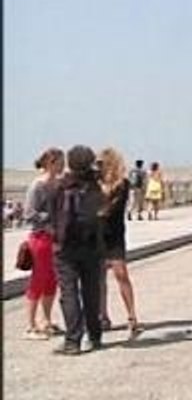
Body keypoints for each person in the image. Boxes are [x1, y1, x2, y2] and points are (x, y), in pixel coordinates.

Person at [52, 145, 105, 354]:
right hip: (93, 246)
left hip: (66, 247)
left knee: (69, 293)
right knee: (92, 292)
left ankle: (73, 340)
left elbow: (52, 216)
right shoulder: (95, 185)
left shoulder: (62, 186)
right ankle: (95, 334)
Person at [97, 148, 143, 339]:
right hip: (97, 236)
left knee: (121, 274)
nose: (98, 167)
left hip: (114, 234)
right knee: (99, 278)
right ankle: (102, 316)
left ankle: (132, 316)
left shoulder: (121, 184)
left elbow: (111, 209)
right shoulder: (94, 183)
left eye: (101, 163)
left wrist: (98, 210)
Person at [23, 147, 65, 340]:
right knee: (38, 280)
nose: (63, 166)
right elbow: (29, 213)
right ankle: (30, 326)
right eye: (60, 162)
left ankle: (45, 320)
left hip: (56, 238)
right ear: (50, 162)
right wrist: (49, 220)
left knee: (51, 280)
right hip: (40, 237)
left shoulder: (58, 184)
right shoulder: (37, 186)